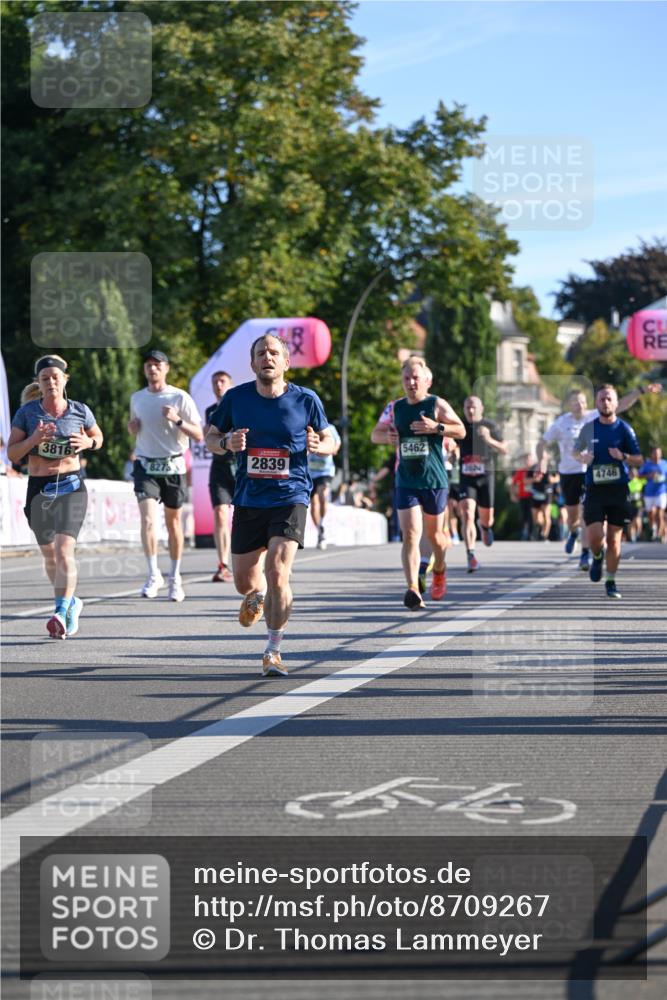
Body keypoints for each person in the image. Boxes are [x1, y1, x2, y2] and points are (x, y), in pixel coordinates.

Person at [206, 333, 336, 677]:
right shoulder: (236, 399)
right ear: (252, 364)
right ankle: (256, 596)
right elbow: (210, 437)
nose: (268, 357)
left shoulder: (306, 400)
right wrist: (226, 441)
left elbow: (331, 437)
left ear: (286, 362)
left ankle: (273, 650)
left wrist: (319, 445)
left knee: (278, 570)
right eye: (261, 353)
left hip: (290, 496)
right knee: (244, 582)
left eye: (274, 352)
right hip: (249, 498)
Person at [7, 355, 104, 638]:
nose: (51, 382)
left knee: (64, 551)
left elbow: (98, 437)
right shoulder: (27, 414)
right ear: (38, 382)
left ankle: (61, 611)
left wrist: (88, 442)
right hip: (39, 488)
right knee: (50, 556)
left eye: (55, 377)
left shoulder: (80, 411)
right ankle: (70, 599)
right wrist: (33, 440)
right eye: (45, 378)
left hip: (72, 486)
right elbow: (12, 453)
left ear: (65, 380)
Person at [371, 356, 465, 610]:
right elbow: (375, 434)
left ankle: (440, 569)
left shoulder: (437, 404)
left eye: (416, 378)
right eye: (406, 379)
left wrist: (438, 427)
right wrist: (387, 436)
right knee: (411, 534)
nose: (411, 383)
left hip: (434, 480)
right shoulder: (394, 407)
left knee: (436, 537)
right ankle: (413, 588)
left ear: (426, 380)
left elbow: (462, 430)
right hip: (406, 480)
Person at [537, 384, 662, 570]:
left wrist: (640, 391)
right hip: (568, 472)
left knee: (585, 514)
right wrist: (542, 461)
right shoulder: (561, 423)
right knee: (573, 517)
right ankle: (573, 533)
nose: (579, 405)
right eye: (575, 402)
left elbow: (620, 405)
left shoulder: (594, 415)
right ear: (569, 405)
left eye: (582, 401)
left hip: (589, 474)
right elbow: (542, 443)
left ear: (587, 404)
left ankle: (585, 553)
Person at [128, 350, 203, 602]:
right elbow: (135, 427)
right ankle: (152, 574)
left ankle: (175, 577)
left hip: (173, 467)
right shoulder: (137, 398)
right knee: (148, 521)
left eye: (157, 365)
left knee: (173, 524)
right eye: (148, 365)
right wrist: (132, 429)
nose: (152, 369)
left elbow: (199, 434)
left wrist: (177, 420)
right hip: (146, 465)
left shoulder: (179, 397)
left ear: (166, 368)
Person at [573, 384, 643, 599]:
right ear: (596, 403)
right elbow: (575, 451)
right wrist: (582, 457)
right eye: (602, 399)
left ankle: (611, 580)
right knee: (596, 538)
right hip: (594, 489)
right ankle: (596, 556)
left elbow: (639, 459)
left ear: (615, 402)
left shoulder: (624, 429)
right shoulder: (589, 427)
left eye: (609, 399)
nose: (605, 402)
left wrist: (623, 456)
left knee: (614, 540)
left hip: (618, 490)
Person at [458, 395, 507, 572]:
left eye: (474, 407)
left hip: (485, 476)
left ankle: (485, 527)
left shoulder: (490, 426)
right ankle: (470, 554)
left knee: (487, 518)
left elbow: (504, 449)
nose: (470, 411)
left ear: (481, 409)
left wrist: (488, 439)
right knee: (467, 514)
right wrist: (452, 451)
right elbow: (450, 443)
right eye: (467, 407)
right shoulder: (460, 426)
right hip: (466, 477)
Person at [204, 371, 236, 581]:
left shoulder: (239, 405)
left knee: (246, 515)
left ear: (230, 385)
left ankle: (251, 561)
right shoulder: (210, 411)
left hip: (240, 465)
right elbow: (209, 436)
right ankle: (222, 564)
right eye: (215, 381)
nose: (218, 385)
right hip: (219, 467)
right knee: (220, 514)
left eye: (222, 381)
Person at [308, 422, 341, 549]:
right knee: (314, 504)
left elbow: (337, 443)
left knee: (323, 494)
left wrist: (331, 450)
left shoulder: (330, 428)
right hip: (310, 472)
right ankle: (320, 530)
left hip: (325, 471)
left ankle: (323, 522)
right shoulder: (306, 427)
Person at [639, 445, 667, 543]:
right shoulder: (647, 465)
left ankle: (659, 535)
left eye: (658, 453)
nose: (656, 455)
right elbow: (639, 476)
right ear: (652, 454)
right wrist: (649, 476)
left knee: (660, 513)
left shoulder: (665, 464)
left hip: (661, 492)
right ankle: (653, 528)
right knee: (651, 514)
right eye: (654, 453)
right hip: (649, 493)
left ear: (661, 454)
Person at [509, 454, 534, 541]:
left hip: (533, 497)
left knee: (531, 516)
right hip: (523, 497)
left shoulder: (534, 471)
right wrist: (512, 495)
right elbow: (513, 484)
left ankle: (531, 534)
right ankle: (522, 534)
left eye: (529, 460)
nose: (528, 462)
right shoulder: (520, 472)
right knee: (523, 516)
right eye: (526, 460)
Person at [626, 467, 646, 543]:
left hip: (638, 504)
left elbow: (648, 480)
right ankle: (631, 536)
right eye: (632, 473)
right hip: (629, 504)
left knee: (637, 519)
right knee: (630, 521)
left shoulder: (641, 481)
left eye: (635, 473)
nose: (633, 474)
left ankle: (638, 533)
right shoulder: (627, 482)